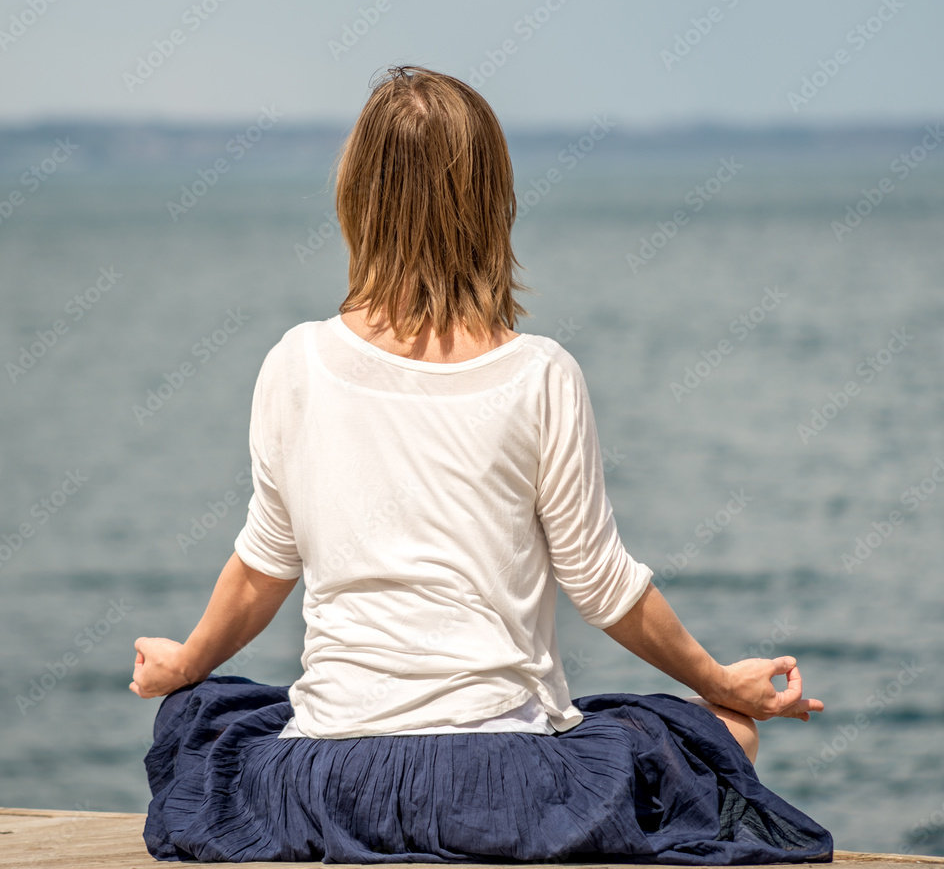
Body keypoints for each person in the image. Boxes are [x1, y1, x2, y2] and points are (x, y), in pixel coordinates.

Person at [130, 65, 834, 864]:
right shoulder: (540, 374)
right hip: (508, 785)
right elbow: (602, 586)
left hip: (330, 780)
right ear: (490, 202)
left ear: (355, 198)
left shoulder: (295, 362)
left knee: (201, 719)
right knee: (721, 737)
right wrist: (717, 682)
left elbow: (265, 563)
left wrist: (185, 661)